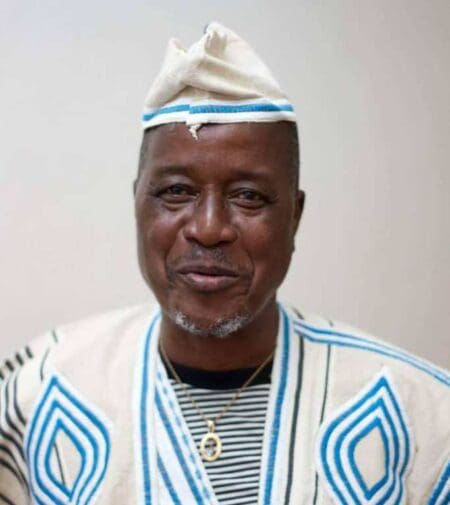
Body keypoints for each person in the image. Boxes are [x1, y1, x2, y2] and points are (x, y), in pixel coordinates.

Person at [0, 22, 448, 505]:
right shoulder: (37, 393)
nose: (209, 228)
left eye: (248, 196)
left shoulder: (420, 416)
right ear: (137, 204)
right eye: (176, 191)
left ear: (294, 217)